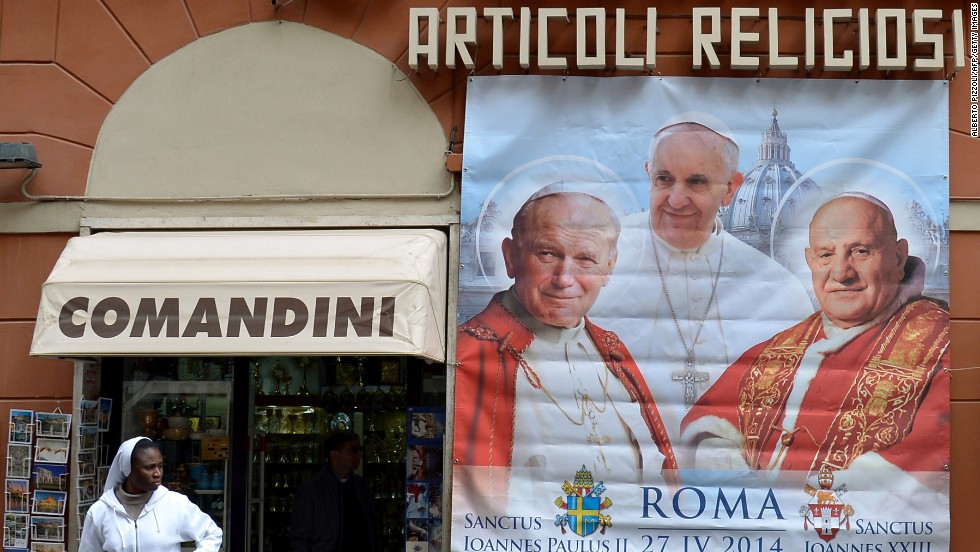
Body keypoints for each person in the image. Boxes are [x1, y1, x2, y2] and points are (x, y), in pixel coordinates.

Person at [680, 193, 950, 490]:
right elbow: (706, 428)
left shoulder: (942, 344)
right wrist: (734, 478)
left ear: (898, 259)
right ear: (810, 261)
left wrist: (795, 509)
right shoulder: (778, 348)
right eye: (826, 255)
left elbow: (922, 465)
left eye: (860, 252)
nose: (840, 273)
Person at [593, 113, 813, 467]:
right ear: (649, 174)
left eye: (696, 183)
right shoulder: (590, 263)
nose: (676, 200)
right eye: (664, 180)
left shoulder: (779, 287)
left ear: (731, 189)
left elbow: (803, 410)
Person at [453, 187, 676, 497]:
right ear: (511, 257)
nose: (564, 278)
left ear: (608, 268)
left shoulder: (614, 354)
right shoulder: (465, 353)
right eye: (547, 254)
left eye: (586, 259)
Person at [78, 436, 222, 552]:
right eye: (149, 467)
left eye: (160, 466)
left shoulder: (175, 504)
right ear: (128, 470)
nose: (157, 473)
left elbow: (212, 534)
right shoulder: (100, 511)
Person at [290, 430, 378, 552]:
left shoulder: (361, 487)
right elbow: (299, 537)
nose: (359, 455)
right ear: (335, 454)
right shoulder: (312, 489)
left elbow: (371, 529)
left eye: (360, 450)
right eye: (353, 450)